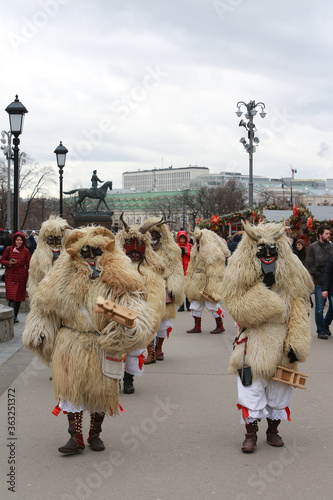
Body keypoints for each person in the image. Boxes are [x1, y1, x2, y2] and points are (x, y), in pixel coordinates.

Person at [23, 226, 157, 455]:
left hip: (101, 343)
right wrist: (39, 330)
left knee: (100, 393)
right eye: (85, 252)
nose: (90, 257)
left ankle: (95, 434)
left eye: (95, 252)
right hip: (70, 342)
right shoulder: (61, 278)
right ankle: (75, 436)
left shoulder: (120, 277)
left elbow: (135, 306)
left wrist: (130, 325)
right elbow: (45, 306)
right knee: (69, 391)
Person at [223, 221, 313, 453]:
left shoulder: (292, 281)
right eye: (261, 250)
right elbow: (237, 306)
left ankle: (273, 430)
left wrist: (296, 343)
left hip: (283, 343)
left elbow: (299, 313)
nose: (267, 255)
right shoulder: (241, 281)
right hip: (253, 342)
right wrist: (265, 298)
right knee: (250, 389)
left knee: (280, 391)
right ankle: (250, 433)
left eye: (272, 250)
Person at [116, 214, 166, 392]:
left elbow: (156, 298)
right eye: (130, 243)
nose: (135, 248)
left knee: (134, 349)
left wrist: (147, 318)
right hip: (116, 314)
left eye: (139, 244)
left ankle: (128, 379)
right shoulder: (115, 267)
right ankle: (114, 379)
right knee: (113, 347)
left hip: (139, 317)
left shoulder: (151, 271)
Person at [144, 216, 184, 362]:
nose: (154, 237)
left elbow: (176, 269)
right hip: (147, 289)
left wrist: (175, 287)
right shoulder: (144, 248)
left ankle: (158, 349)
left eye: (157, 234)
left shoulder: (171, 250)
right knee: (148, 321)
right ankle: (150, 352)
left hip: (164, 288)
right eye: (151, 234)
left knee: (164, 323)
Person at [185, 227, 230, 334]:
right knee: (195, 305)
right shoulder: (195, 250)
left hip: (208, 282)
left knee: (212, 304)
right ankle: (197, 327)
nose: (198, 242)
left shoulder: (212, 251)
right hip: (197, 281)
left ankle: (220, 325)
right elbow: (192, 264)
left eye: (199, 240)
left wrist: (212, 284)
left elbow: (216, 271)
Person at [28, 216, 72, 300]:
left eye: (58, 239)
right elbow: (36, 279)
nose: (54, 244)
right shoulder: (38, 256)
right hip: (43, 296)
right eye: (50, 239)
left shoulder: (69, 256)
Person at [306, 224, 333, 339]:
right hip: (319, 281)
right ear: (320, 234)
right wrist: (319, 277)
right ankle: (321, 330)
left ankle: (325, 324)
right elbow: (310, 265)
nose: (329, 236)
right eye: (326, 234)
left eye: (329, 234)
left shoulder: (332, 246)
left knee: (332, 307)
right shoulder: (313, 247)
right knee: (319, 308)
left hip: (331, 283)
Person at [0, 231, 31, 323]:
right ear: (14, 240)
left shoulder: (26, 251)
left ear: (23, 241)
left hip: (21, 275)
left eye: (21, 240)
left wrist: (29, 276)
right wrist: (9, 263)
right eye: (17, 240)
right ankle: (12, 316)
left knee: (18, 297)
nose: (19, 242)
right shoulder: (8, 249)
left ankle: (15, 315)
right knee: (11, 296)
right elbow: (2, 260)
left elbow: (29, 264)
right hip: (10, 275)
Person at [177, 230, 192, 311]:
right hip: (179, 271)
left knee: (188, 289)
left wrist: (187, 252)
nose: (182, 241)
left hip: (188, 270)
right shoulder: (175, 246)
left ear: (186, 239)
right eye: (181, 239)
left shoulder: (190, 246)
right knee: (180, 290)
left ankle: (189, 305)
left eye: (183, 239)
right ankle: (181, 305)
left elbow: (194, 257)